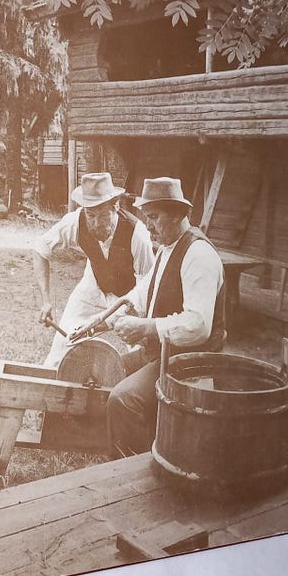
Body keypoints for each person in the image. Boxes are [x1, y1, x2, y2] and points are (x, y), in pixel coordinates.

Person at [107, 176, 226, 457]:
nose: (147, 226)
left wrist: (146, 327)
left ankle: (138, 470)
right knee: (108, 369)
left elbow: (198, 325)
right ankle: (130, 450)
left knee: (123, 400)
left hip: (192, 363)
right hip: (165, 353)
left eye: (154, 217)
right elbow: (143, 291)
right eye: (145, 217)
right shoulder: (167, 247)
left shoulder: (198, 255)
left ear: (177, 214)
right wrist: (110, 316)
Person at [33, 171, 154, 369]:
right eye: (90, 215)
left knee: (141, 352)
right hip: (93, 287)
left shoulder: (137, 234)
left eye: (102, 215)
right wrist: (46, 302)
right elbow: (41, 248)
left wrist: (105, 323)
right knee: (64, 342)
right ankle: (51, 380)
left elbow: (146, 292)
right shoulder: (75, 221)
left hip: (130, 297)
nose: (96, 224)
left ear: (115, 205)